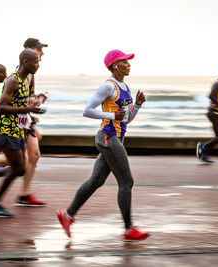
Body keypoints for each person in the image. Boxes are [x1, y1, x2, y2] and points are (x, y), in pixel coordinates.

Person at [56, 50, 150, 242]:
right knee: (126, 181)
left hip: (116, 137)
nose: (129, 64)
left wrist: (138, 106)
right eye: (125, 61)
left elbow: (126, 120)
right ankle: (128, 229)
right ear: (115, 65)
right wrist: (110, 116)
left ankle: (67, 216)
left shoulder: (125, 86)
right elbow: (87, 111)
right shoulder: (108, 86)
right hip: (108, 137)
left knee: (96, 181)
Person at [0, 49, 45, 218]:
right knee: (18, 169)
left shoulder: (24, 81)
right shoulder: (13, 80)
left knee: (19, 169)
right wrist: (28, 108)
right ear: (25, 62)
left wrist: (31, 112)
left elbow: (19, 104)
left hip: (17, 130)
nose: (38, 65)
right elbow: (2, 108)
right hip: (5, 131)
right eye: (36, 62)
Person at [15, 37, 48, 207]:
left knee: (33, 154)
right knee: (18, 158)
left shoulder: (30, 75)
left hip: (25, 118)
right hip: (18, 120)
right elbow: (15, 100)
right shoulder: (22, 74)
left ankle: (24, 194)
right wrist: (33, 104)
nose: (42, 53)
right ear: (29, 51)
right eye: (39, 49)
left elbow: (25, 99)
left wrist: (36, 100)